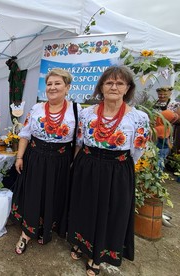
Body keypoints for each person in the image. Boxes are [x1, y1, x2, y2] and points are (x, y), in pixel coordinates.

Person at [67, 66, 150, 276]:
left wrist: (116, 165)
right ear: (101, 87)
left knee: (109, 211)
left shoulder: (139, 118)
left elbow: (137, 150)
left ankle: (97, 255)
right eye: (109, 83)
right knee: (84, 206)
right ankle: (80, 243)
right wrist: (76, 166)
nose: (114, 87)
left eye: (119, 83)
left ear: (127, 88)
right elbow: (79, 142)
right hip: (87, 165)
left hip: (117, 170)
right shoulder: (86, 114)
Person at [10, 68, 81, 255]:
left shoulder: (77, 110)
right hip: (36, 158)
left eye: (58, 83)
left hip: (60, 161)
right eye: (49, 84)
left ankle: (45, 228)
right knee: (33, 194)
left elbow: (80, 142)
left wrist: (72, 163)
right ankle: (26, 233)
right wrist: (19, 157)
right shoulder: (36, 108)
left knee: (52, 195)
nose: (53, 87)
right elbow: (25, 134)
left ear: (67, 87)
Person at [153, 86, 180, 153]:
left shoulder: (175, 104)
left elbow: (177, 118)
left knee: (165, 148)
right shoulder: (155, 103)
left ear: (170, 94)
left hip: (168, 132)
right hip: (156, 131)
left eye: (165, 94)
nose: (162, 96)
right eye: (160, 94)